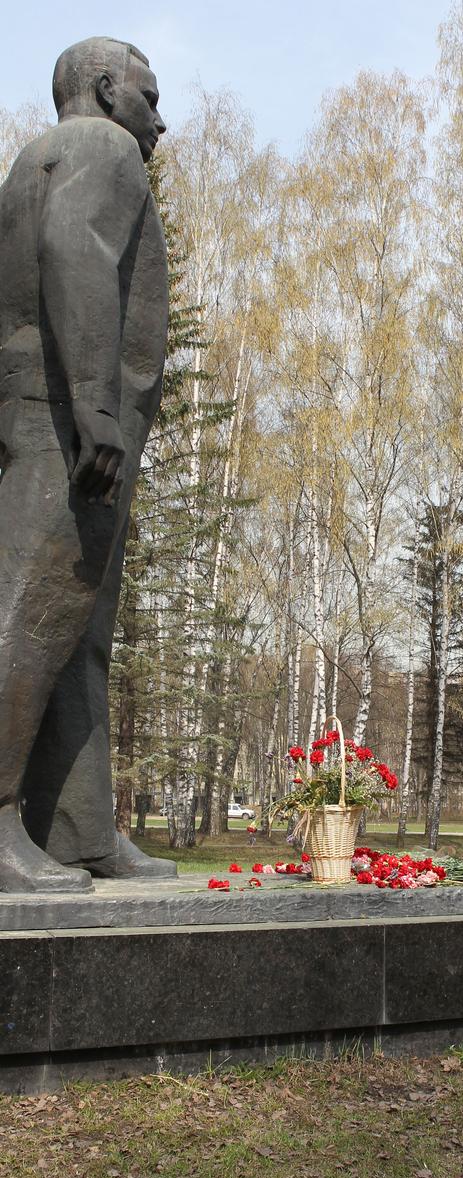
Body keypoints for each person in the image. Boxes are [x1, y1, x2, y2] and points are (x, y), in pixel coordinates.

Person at [0, 38, 176, 891]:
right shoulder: (103, 146)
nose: (159, 120)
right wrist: (96, 405)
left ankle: (77, 828)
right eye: (149, 97)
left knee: (74, 631)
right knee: (29, 614)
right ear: (107, 89)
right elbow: (76, 250)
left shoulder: (31, 159)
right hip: (70, 419)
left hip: (41, 407)